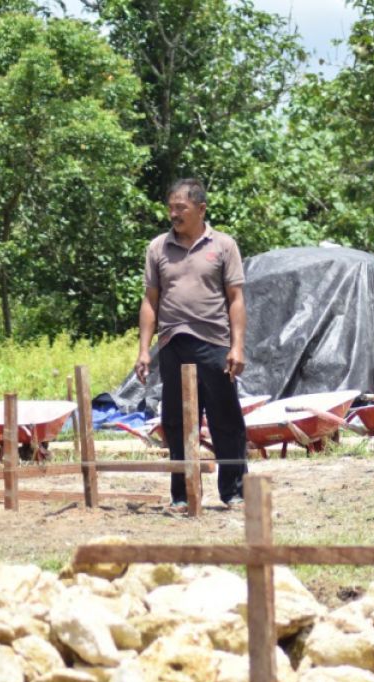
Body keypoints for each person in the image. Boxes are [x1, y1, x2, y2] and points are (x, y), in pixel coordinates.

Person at [135, 178, 248, 510]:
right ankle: (182, 494)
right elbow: (150, 301)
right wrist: (144, 349)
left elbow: (236, 299)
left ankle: (234, 491)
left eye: (181, 208)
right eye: (170, 207)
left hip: (213, 342)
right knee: (177, 420)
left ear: (201, 209)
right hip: (172, 343)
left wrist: (237, 346)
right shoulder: (158, 248)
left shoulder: (223, 246)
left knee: (225, 418)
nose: (174, 214)